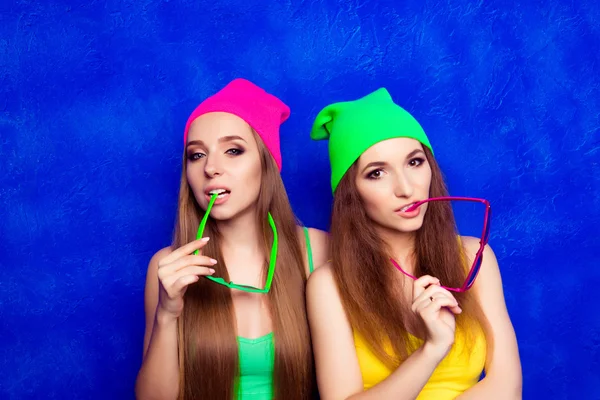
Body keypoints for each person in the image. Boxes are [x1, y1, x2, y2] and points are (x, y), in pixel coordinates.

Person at [306, 87, 521, 399]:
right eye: (377, 173)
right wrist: (431, 351)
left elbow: (507, 386)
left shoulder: (475, 257)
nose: (406, 188)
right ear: (351, 193)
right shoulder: (328, 286)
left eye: (415, 162)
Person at [135, 78, 329, 400]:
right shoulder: (167, 266)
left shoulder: (318, 252)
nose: (211, 167)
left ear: (267, 164)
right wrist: (167, 315)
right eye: (196, 156)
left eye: (233, 150)